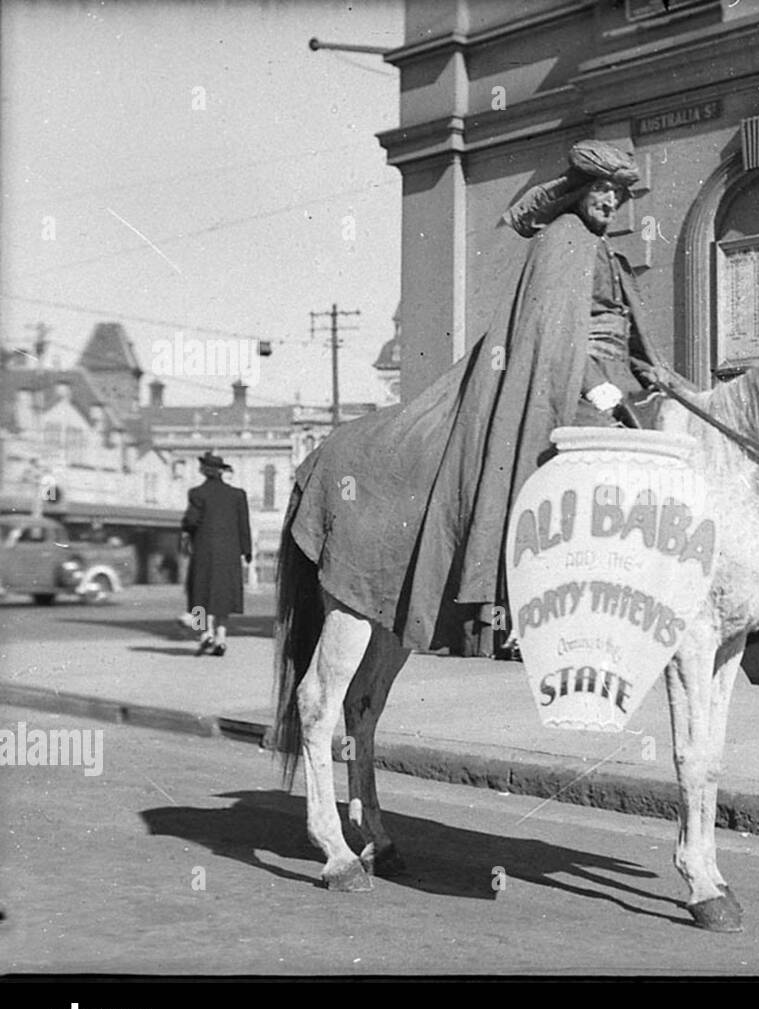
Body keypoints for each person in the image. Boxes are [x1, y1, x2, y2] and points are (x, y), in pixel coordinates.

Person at [286, 139, 674, 657]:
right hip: (569, 382)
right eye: (602, 190)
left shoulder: (603, 248)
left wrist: (662, 379)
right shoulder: (563, 239)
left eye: (618, 194)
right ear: (580, 191)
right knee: (592, 458)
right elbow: (549, 333)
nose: (610, 201)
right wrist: (593, 385)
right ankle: (536, 599)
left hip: (617, 379)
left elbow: (627, 332)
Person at [182, 451, 252, 656]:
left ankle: (205, 633)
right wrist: (247, 550)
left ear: (204, 471)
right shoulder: (237, 495)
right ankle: (221, 637)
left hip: (204, 551)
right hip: (229, 553)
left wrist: (186, 526)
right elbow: (243, 525)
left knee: (200, 593)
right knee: (223, 594)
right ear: (221, 471)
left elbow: (192, 521)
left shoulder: (197, 493)